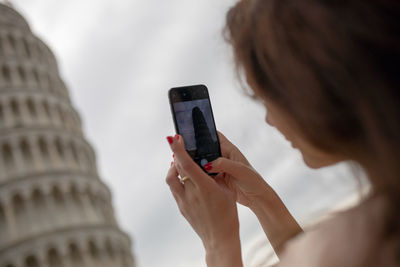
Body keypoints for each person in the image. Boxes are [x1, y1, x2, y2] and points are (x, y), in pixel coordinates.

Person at [165, 0, 400, 266]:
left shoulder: (359, 243)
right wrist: (261, 198)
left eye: (266, 98)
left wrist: (218, 243)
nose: (269, 119)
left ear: (315, 86)